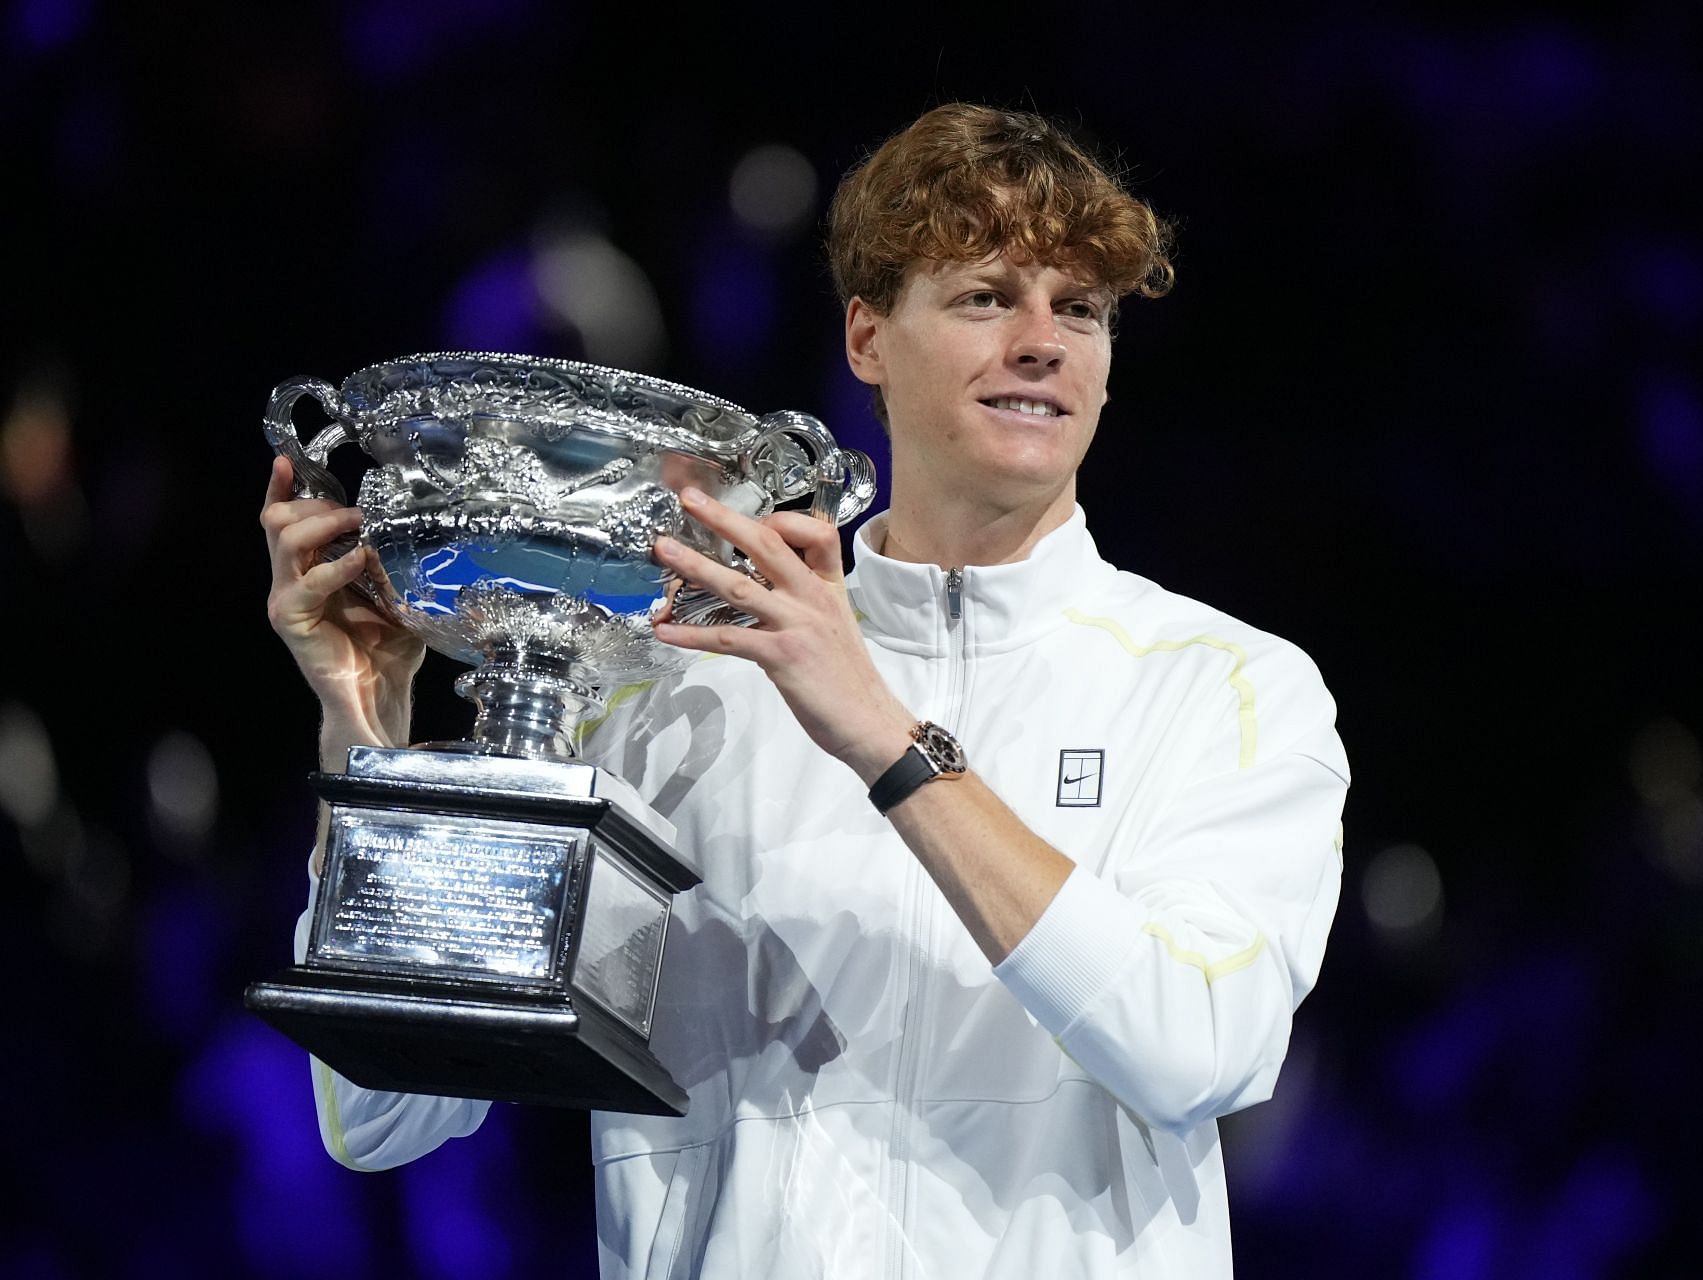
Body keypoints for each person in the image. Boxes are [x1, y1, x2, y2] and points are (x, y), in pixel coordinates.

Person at [261, 102, 1349, 1279]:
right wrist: (368, 734)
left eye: (1079, 309)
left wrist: (886, 738)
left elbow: (1199, 1049)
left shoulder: (1225, 687)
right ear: (868, 337)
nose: (1043, 340)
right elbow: (386, 1112)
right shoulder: (671, 682)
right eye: (986, 296)